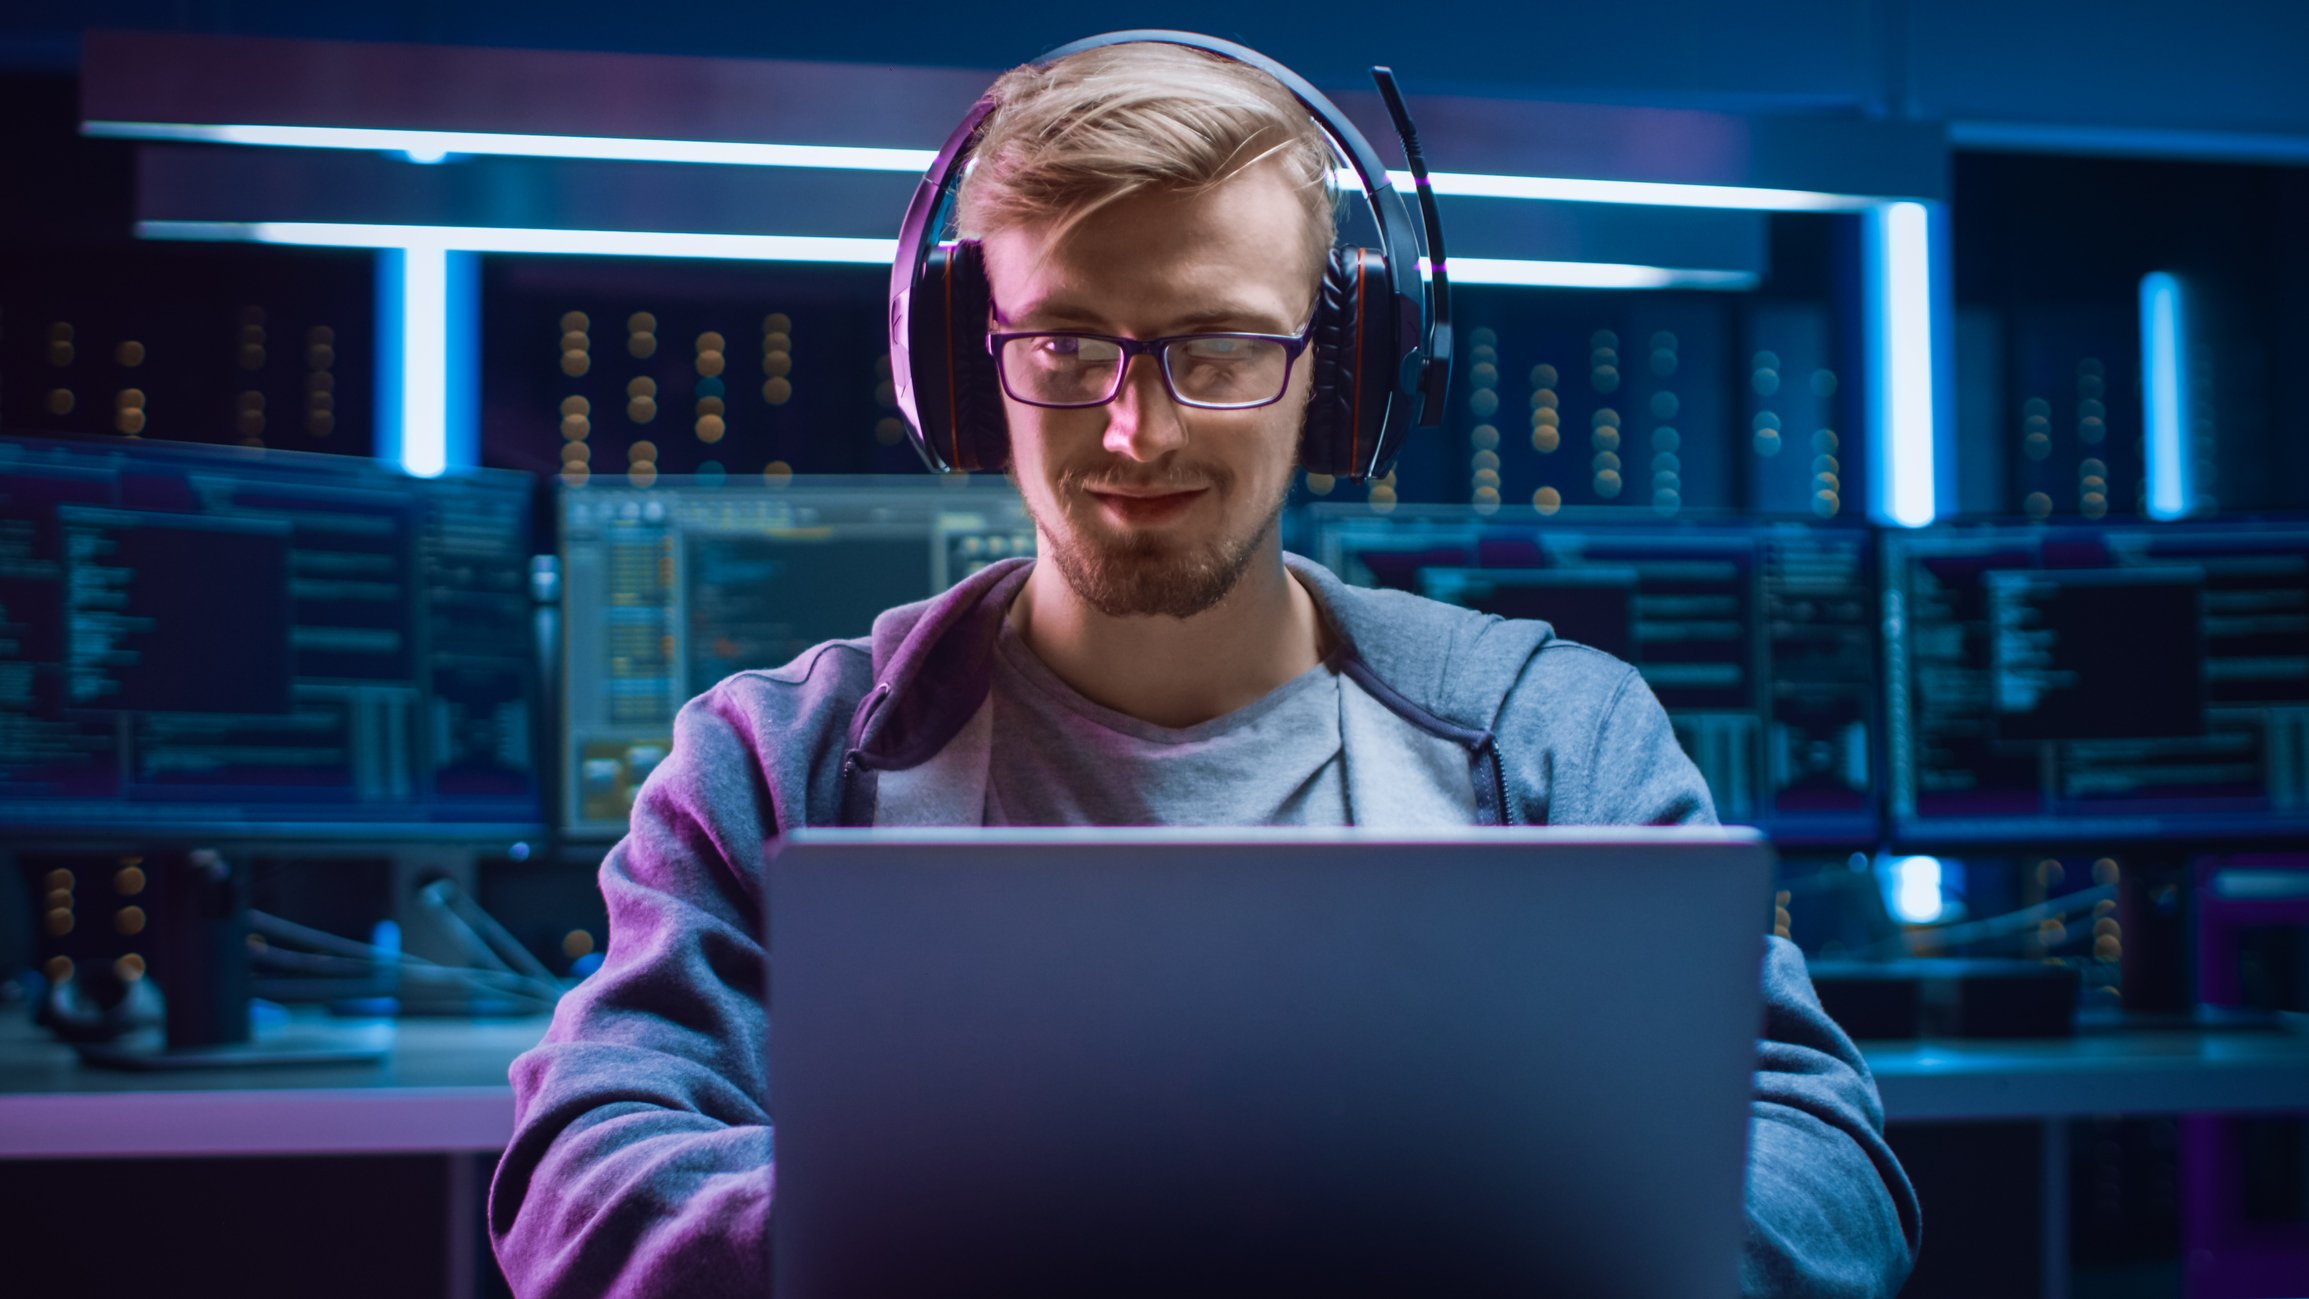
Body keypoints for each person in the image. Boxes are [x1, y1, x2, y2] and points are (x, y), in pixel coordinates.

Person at [490, 37, 1922, 1297]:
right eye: (1064, 343)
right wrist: (1002, 1244)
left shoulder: (1552, 734)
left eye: (1220, 348)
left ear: (1340, 369)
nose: (1135, 431)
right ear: (964, 360)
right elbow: (583, 1180)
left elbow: (1818, 1159)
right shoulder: (773, 763)